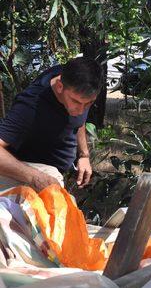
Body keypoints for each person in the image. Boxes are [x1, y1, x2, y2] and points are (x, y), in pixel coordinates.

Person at [0, 57, 102, 192]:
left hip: (55, 172)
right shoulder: (31, 106)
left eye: (88, 103)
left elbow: (79, 120)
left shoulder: (79, 81)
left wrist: (84, 155)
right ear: (60, 86)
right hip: (26, 173)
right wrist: (34, 177)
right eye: (76, 102)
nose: (81, 110)